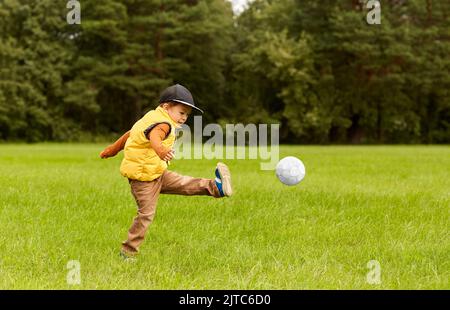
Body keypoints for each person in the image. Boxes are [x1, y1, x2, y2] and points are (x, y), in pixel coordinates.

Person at [100, 84, 232, 260]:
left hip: (157, 172)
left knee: (185, 183)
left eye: (187, 114)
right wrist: (161, 151)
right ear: (166, 106)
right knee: (146, 214)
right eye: (181, 112)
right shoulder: (162, 124)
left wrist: (112, 150)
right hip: (143, 179)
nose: (184, 117)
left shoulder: (150, 117)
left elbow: (130, 134)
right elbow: (155, 137)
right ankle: (128, 252)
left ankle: (217, 187)